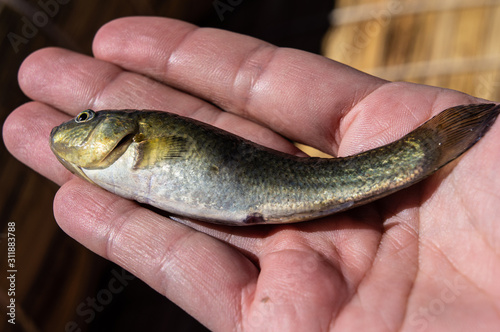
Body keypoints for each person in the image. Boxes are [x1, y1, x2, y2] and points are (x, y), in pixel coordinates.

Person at [4, 17, 499, 331]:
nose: (74, 128)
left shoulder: (139, 135)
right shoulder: (115, 161)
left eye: (86, 119)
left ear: (122, 130)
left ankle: (427, 148)